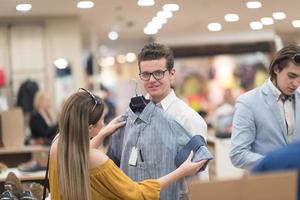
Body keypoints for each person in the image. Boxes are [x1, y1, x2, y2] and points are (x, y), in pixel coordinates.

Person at [49, 89, 207, 200]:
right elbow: (138, 193)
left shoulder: (57, 144)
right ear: (90, 128)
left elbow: (79, 156)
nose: (105, 124)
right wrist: (180, 172)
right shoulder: (97, 159)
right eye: (102, 121)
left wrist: (103, 133)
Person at [230, 44, 300, 169]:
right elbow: (238, 154)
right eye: (291, 76)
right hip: (267, 182)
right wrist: (276, 163)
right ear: (276, 69)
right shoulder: (248, 102)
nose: (296, 84)